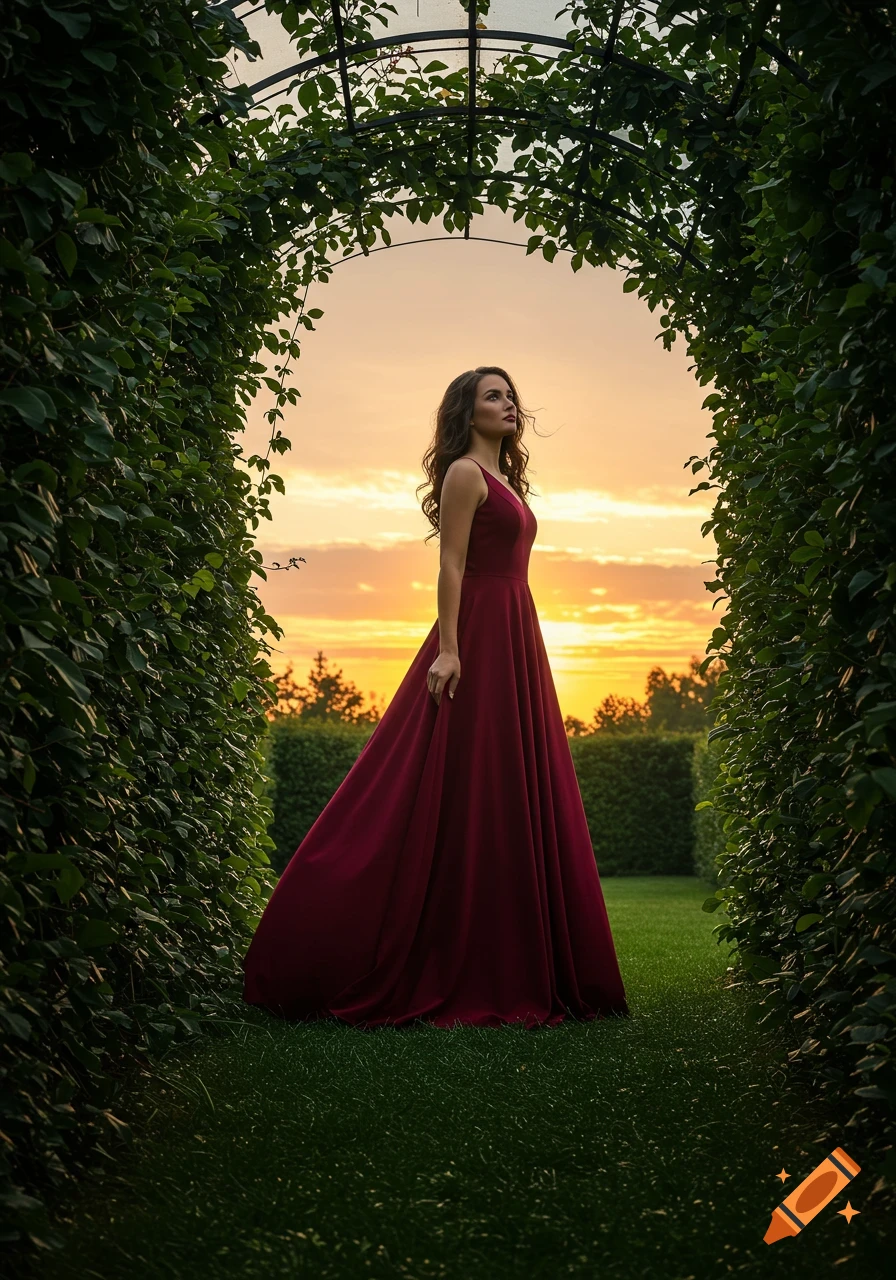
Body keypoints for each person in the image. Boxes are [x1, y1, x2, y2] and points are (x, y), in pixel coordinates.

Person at [243, 366, 629, 1028]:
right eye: (493, 396)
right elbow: (451, 564)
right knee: (439, 783)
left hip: (516, 630)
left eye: (511, 396)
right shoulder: (464, 474)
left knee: (509, 785)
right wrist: (451, 650)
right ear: (465, 411)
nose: (509, 405)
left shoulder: (505, 478)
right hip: (478, 630)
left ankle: (518, 956)